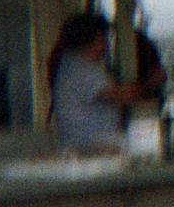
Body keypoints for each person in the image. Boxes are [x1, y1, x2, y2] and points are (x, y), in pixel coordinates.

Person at [47, 12, 149, 156]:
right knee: (148, 147)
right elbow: (127, 96)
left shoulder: (72, 62)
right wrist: (150, 82)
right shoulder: (82, 69)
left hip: (90, 146)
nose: (106, 44)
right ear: (95, 39)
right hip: (93, 149)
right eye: (104, 38)